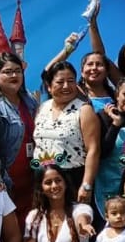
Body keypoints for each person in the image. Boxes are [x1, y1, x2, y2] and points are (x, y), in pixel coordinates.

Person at [34, 60, 102, 207]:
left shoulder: (84, 110)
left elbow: (93, 149)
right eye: (60, 82)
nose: (66, 86)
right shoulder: (42, 107)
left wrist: (86, 185)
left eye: (71, 81)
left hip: (72, 179)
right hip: (44, 179)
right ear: (49, 86)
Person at [0, 52, 39, 214]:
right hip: (6, 180)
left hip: (31, 178)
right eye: (8, 72)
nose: (14, 75)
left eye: (18, 71)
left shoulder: (29, 100)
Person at [95, 74, 125, 206]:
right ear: (117, 95)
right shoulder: (102, 117)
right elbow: (101, 153)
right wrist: (115, 124)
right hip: (105, 188)